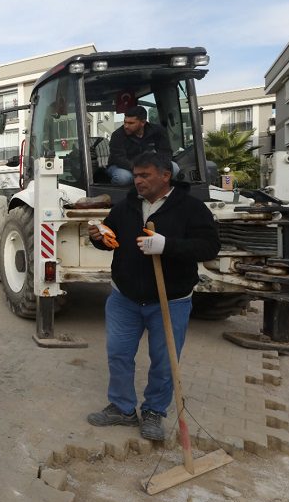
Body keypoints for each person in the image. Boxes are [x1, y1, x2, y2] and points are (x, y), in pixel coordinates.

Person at [87, 151, 219, 440]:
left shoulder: (191, 208)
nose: (138, 181)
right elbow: (112, 239)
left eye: (145, 175)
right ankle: (122, 407)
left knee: (164, 359)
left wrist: (167, 245)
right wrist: (98, 238)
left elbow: (209, 247)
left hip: (170, 301)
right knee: (119, 354)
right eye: (136, 175)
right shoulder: (126, 206)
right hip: (125, 298)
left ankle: (154, 412)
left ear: (165, 175)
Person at [107, 105, 176, 185]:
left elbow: (165, 152)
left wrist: (156, 166)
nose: (126, 126)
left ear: (143, 122)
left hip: (149, 165)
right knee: (123, 178)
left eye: (131, 123)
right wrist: (140, 169)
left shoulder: (157, 131)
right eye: (125, 122)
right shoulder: (117, 135)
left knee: (175, 168)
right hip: (122, 166)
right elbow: (119, 158)